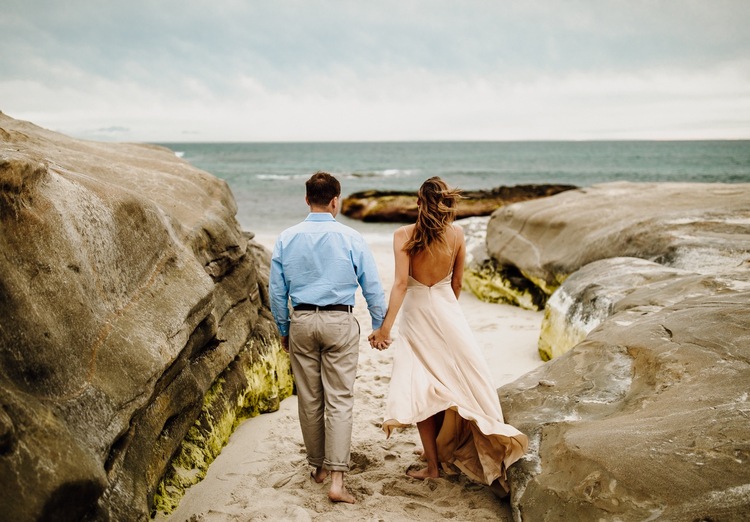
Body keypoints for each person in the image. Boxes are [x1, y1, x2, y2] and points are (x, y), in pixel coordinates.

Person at [368, 176, 528, 492]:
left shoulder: (403, 234)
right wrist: (445, 312)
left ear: (419, 203)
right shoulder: (456, 234)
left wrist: (385, 328)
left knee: (423, 385)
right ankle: (441, 453)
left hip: (416, 314)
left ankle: (432, 465)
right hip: (447, 312)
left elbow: (401, 284)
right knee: (453, 380)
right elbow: (457, 284)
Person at [269, 171, 388, 504]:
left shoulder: (285, 237)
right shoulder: (351, 237)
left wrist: (283, 329)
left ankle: (318, 468)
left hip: (302, 320)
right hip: (339, 320)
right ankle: (337, 480)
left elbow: (277, 292)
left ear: (307, 199)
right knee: (339, 399)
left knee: (309, 399)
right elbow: (372, 286)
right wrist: (379, 325)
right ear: (336, 201)